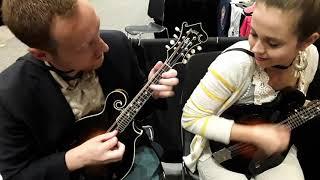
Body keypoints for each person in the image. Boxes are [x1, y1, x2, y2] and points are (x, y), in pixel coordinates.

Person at [0, 0, 179, 180]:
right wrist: (75, 158)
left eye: (97, 30)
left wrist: (152, 93)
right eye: (86, 45)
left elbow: (135, 113)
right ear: (41, 54)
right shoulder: (11, 95)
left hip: (131, 157)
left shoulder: (117, 44)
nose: (104, 47)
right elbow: (17, 174)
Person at [181, 0, 319, 179]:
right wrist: (253, 134)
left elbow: (290, 106)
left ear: (307, 41)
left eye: (273, 43)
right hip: (222, 152)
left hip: (272, 152)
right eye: (253, 33)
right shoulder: (235, 65)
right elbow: (191, 118)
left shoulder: (310, 58)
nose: (256, 48)